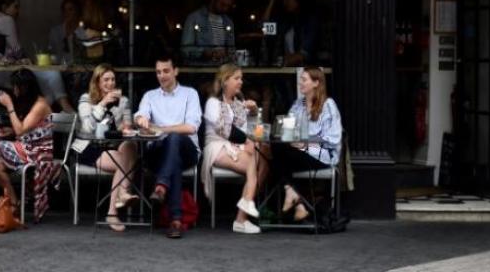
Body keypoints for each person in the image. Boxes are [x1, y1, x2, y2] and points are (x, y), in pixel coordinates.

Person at [134, 54, 202, 239]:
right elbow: (140, 115)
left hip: (187, 150)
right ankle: (176, 221)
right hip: (158, 152)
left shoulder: (190, 94)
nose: (161, 75)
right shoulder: (150, 96)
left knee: (174, 139)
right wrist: (141, 119)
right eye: (158, 72)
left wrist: (163, 129)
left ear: (176, 71)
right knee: (174, 164)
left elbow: (191, 127)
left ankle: (162, 186)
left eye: (166, 71)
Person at [271, 66, 342, 221]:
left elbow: (333, 139)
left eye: (304, 80)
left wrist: (305, 145)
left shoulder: (328, 105)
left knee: (279, 158)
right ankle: (297, 201)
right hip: (299, 153)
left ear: (316, 83)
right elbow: (287, 130)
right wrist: (291, 138)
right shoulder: (298, 104)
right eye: (300, 79)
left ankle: (294, 199)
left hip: (322, 155)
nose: (300, 83)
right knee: (276, 150)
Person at [201, 63, 266, 234]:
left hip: (237, 146)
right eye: (237, 78)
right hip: (217, 146)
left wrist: (253, 113)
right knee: (256, 160)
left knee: (261, 157)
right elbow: (225, 131)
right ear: (225, 81)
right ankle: (243, 214)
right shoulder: (212, 103)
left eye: (241, 78)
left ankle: (244, 208)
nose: (241, 82)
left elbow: (255, 132)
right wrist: (250, 141)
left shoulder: (239, 104)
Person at [73, 64, 138, 232]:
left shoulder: (122, 101)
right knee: (123, 161)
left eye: (113, 79)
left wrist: (126, 126)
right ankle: (113, 209)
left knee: (131, 146)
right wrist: (102, 103)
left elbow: (128, 124)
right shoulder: (85, 99)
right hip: (88, 146)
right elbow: (88, 127)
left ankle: (122, 194)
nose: (110, 83)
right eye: (106, 80)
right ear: (97, 82)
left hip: (113, 146)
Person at [0, 69, 57, 223]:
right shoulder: (29, 102)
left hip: (37, 151)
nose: (13, 90)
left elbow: (21, 129)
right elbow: (24, 129)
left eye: (16, 86)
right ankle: (14, 201)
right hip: (25, 147)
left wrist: (9, 105)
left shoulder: (40, 104)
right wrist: (10, 131)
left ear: (25, 87)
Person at [0, 0, 74, 113]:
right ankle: (63, 106)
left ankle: (45, 109)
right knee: (52, 73)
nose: (18, 11)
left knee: (46, 78)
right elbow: (16, 48)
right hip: (7, 72)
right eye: (15, 7)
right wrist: (26, 59)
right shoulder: (6, 19)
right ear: (4, 7)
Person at [262, 0, 319, 67]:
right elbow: (266, 29)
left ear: (297, 0)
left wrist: (283, 62)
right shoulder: (286, 22)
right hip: (287, 71)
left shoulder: (309, 21)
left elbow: (305, 53)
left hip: (304, 71)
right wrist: (272, 1)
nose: (285, 2)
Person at [180, 0, 235, 65]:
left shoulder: (228, 22)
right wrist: (204, 53)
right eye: (222, 4)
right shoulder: (194, 18)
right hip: (202, 70)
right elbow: (185, 49)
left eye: (228, 6)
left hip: (222, 69)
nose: (225, 8)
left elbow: (231, 48)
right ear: (213, 0)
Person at [48, 0, 81, 65]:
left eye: (70, 9)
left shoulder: (82, 32)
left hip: (78, 69)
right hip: (60, 68)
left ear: (76, 11)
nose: (67, 13)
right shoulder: (55, 31)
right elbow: (51, 52)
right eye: (64, 10)